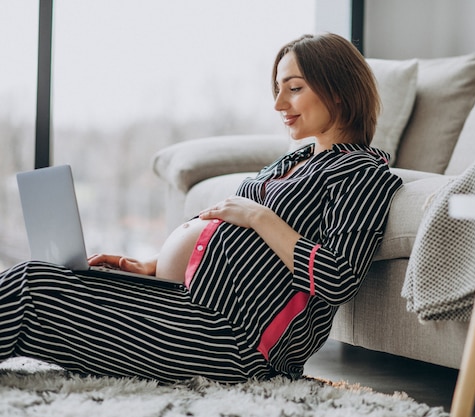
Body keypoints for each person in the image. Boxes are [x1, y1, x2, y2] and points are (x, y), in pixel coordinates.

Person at [0, 33, 402, 383]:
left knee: (34, 289)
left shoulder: (363, 173)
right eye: (277, 89)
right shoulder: (294, 161)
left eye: (293, 88)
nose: (279, 103)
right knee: (42, 276)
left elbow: (338, 279)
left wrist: (259, 217)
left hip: (229, 341)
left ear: (337, 90)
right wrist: (152, 265)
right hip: (183, 305)